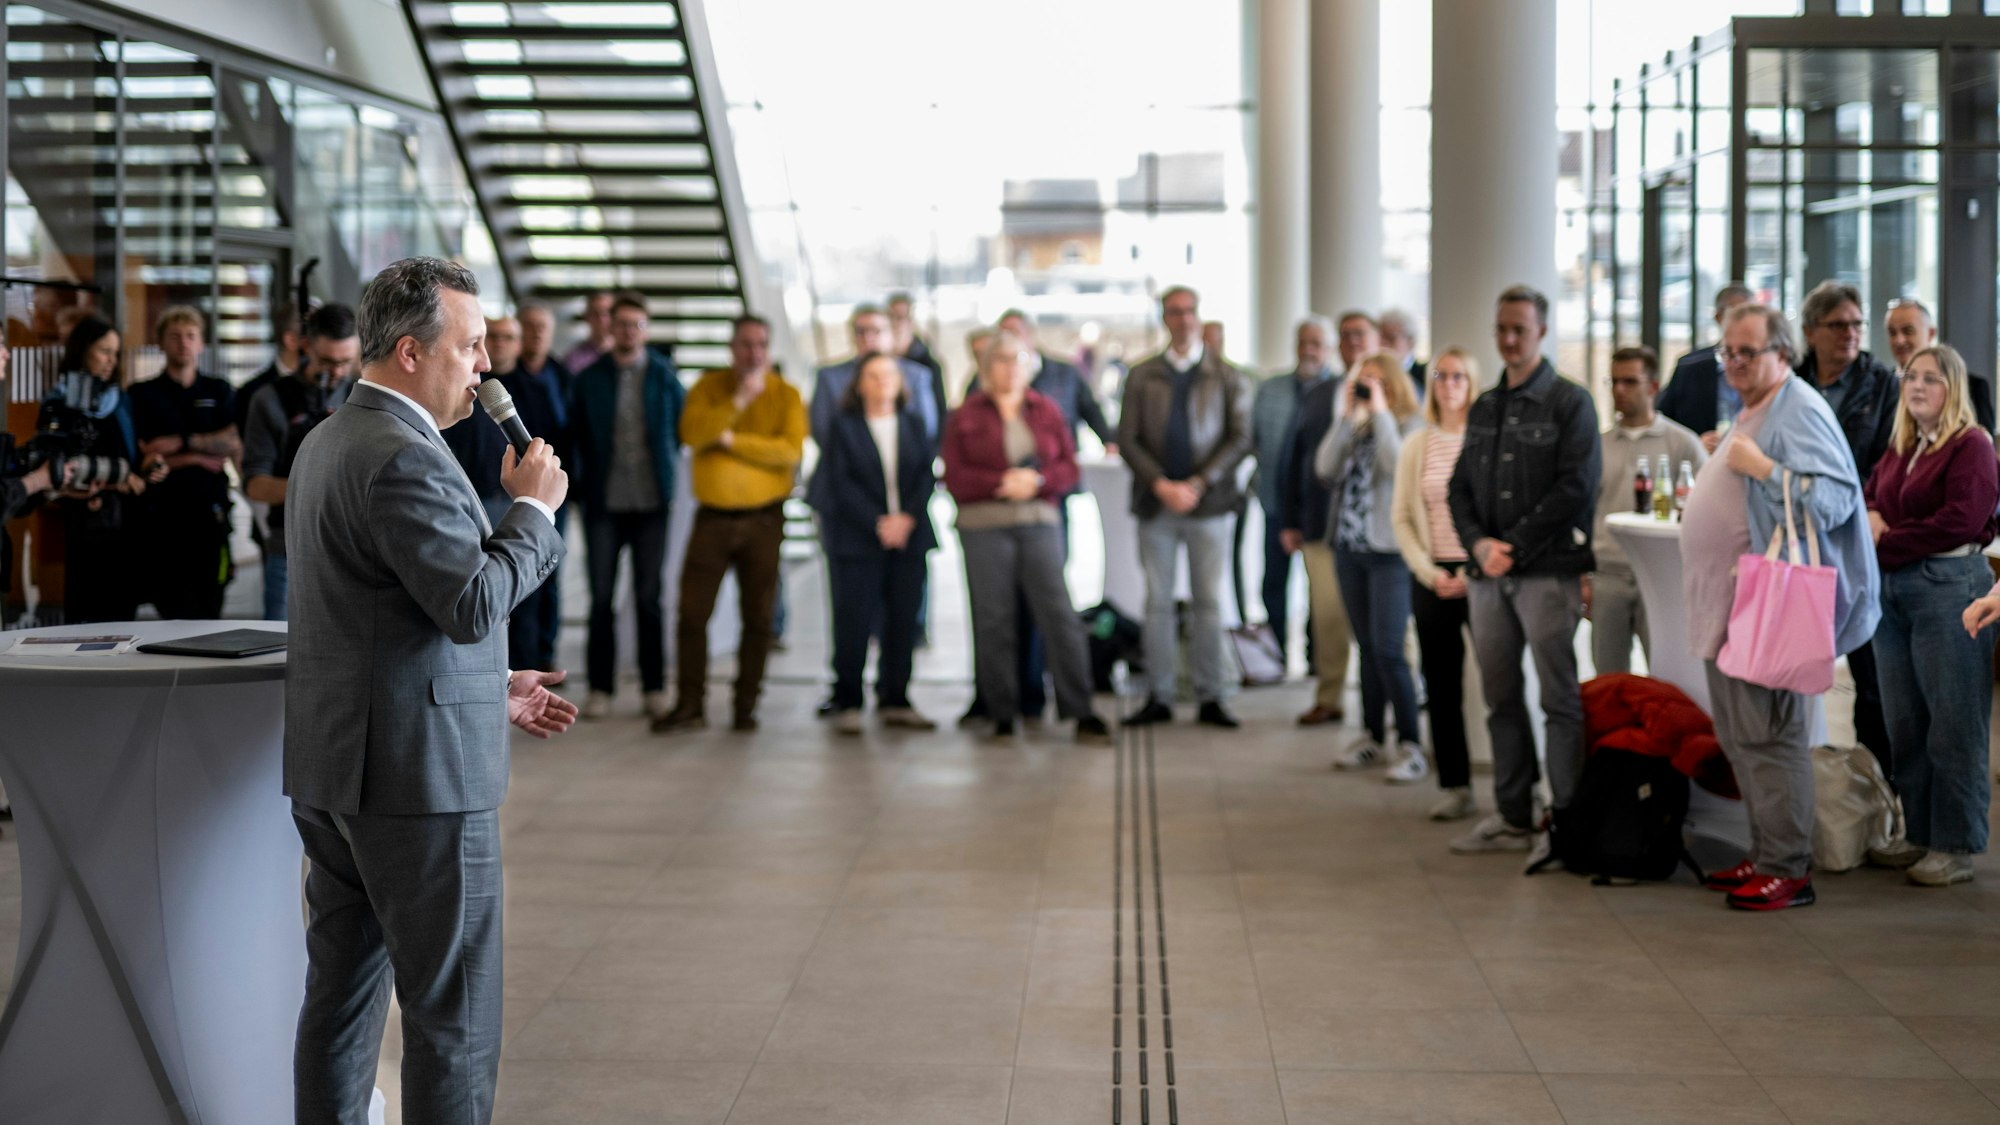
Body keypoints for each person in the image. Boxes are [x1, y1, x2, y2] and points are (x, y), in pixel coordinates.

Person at [283, 256, 573, 1121]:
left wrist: (493, 684)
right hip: (419, 782)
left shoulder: (331, 439)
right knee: (455, 1019)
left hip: (339, 767)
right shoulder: (403, 454)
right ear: (411, 352)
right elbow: (472, 602)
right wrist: (534, 511)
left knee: (341, 1001)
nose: (485, 365)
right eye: (471, 345)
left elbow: (378, 610)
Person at [1681, 303, 1877, 911]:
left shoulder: (1799, 408)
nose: (1735, 363)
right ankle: (1766, 850)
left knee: (1771, 739)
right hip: (1734, 608)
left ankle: (1787, 868)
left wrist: (1765, 469)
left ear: (1783, 354)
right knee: (1743, 738)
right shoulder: (1759, 406)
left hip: (1767, 607)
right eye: (1728, 352)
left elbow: (1837, 498)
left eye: (1748, 352)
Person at [1446, 285, 1601, 867]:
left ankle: (1565, 824)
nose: (1509, 339)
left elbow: (1576, 489)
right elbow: (1458, 488)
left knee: (1559, 699)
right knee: (1500, 697)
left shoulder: (1571, 403)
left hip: (1547, 574)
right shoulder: (1485, 406)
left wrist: (1512, 546)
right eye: (1502, 329)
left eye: (1520, 329)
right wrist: (1479, 545)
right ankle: (1514, 815)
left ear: (1542, 331)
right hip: (1488, 576)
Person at [1862, 344, 1997, 887]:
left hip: (1950, 587)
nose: (1917, 386)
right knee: (1905, 722)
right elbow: (1871, 493)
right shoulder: (1903, 445)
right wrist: (1874, 514)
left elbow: (1961, 520)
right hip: (1894, 590)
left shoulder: (1972, 445)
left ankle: (1955, 844)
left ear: (1954, 388)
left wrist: (1887, 542)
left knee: (1953, 722)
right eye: (1911, 376)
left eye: (1931, 378)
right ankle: (1918, 831)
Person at [943, 336, 1113, 743]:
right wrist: (1002, 483)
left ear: (1030, 366)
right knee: (993, 618)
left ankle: (1080, 708)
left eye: (1018, 359)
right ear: (986, 367)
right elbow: (954, 476)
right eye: (1001, 360)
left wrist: (1037, 481)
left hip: (1039, 520)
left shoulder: (1046, 410)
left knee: (1059, 614)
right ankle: (1002, 711)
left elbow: (1068, 467)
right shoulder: (965, 415)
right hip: (983, 525)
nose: (1010, 367)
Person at [655, 314, 805, 734]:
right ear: (732, 348)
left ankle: (746, 706)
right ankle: (690, 704)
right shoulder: (708, 388)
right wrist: (737, 401)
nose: (754, 353)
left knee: (758, 618)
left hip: (764, 520)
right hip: (713, 520)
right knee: (691, 613)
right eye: (746, 344)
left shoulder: (786, 394)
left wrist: (730, 440)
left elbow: (788, 452)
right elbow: (692, 433)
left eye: (761, 344)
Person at [1119, 287, 1252, 728]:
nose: (1183, 319)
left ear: (1198, 316)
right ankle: (1158, 695)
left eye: (1189, 311)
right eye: (1174, 312)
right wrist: (1160, 484)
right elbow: (1127, 438)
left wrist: (1198, 482)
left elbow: (1240, 438)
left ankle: (1211, 695)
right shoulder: (1142, 376)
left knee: (1208, 602)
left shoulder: (1226, 376)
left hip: (1208, 504)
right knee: (1157, 602)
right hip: (1155, 504)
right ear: (1165, 318)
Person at [1797, 279, 1899, 780]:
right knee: (1794, 665)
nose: (1851, 333)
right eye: (1838, 325)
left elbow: (1887, 460)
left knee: (1870, 676)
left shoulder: (1882, 385)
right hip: (1800, 541)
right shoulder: (1790, 381)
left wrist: (1857, 504)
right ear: (1810, 331)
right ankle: (1803, 779)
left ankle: (1875, 788)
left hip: (1857, 540)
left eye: (1857, 324)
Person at [572, 292, 685, 722]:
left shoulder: (664, 377)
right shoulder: (589, 378)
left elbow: (679, 430)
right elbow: (576, 435)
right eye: (621, 324)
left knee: (648, 597)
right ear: (610, 327)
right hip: (604, 503)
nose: (629, 332)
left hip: (652, 502)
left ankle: (654, 687)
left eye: (637, 325)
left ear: (646, 330)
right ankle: (600, 687)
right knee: (601, 597)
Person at [817, 352, 939, 735]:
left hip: (909, 537)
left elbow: (925, 476)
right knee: (853, 620)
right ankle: (848, 699)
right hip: (858, 538)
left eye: (889, 374)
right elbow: (839, 482)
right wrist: (878, 523)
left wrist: (907, 519)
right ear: (859, 384)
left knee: (903, 620)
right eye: (873, 375)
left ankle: (895, 698)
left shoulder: (914, 424)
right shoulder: (843, 426)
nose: (883, 381)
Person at [1317, 351, 1425, 779]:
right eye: (1363, 380)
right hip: (1350, 548)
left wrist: (1380, 413)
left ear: (1394, 383)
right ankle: (1373, 737)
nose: (1368, 387)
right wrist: (1346, 417)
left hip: (1390, 553)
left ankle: (1411, 744)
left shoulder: (1411, 425)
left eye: (1377, 380)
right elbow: (1324, 468)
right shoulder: (1357, 424)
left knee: (1389, 648)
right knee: (1365, 646)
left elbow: (1397, 468)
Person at [1392, 348, 1482, 820]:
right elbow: (1402, 518)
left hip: (1481, 575)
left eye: (1457, 376)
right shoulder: (1416, 445)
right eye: (1441, 376)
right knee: (1442, 688)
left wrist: (1473, 572)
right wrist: (1429, 573)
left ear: (1472, 383)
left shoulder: (1486, 441)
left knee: (1502, 686)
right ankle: (1456, 786)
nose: (1448, 384)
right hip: (1432, 576)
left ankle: (1523, 790)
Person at [1279, 310, 1376, 725]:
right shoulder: (1319, 394)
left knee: (1385, 627)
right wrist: (1290, 520)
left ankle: (1394, 704)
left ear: (1375, 341)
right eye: (1345, 335)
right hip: (1322, 525)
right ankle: (1330, 697)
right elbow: (1295, 458)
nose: (1353, 342)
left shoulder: (1395, 391)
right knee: (1327, 617)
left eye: (1360, 334)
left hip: (1377, 531)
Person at [1588, 346, 1706, 674]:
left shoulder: (1683, 443)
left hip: (1662, 576)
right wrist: (1585, 577)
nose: (1619, 390)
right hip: (1608, 576)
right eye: (1613, 381)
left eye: (1629, 381)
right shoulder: (1597, 446)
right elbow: (1583, 514)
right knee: (1608, 679)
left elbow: (1705, 511)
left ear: (1653, 386)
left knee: (1668, 676)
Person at [41, 317, 163, 623]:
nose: (111, 361)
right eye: (104, 351)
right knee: (86, 621)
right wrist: (118, 477)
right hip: (85, 524)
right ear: (82, 351)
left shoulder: (120, 400)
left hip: (126, 525)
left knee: (123, 618)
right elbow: (58, 466)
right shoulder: (61, 403)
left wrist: (150, 465)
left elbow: (135, 451)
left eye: (115, 353)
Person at [243, 304, 360, 621]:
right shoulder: (270, 400)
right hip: (289, 549)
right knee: (280, 642)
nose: (337, 372)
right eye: (327, 361)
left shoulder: (362, 395)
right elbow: (255, 485)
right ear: (306, 346)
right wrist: (320, 487)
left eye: (345, 362)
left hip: (353, 551)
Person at [130, 306, 240, 619]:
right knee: (170, 608)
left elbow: (232, 441)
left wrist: (181, 442)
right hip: (162, 518)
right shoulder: (142, 394)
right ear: (160, 342)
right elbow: (145, 456)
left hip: (210, 516)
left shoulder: (218, 390)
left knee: (210, 606)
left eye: (191, 336)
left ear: (201, 343)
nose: (183, 343)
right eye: (175, 336)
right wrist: (197, 456)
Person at [1251, 316, 1332, 667]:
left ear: (1328, 349)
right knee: (1273, 582)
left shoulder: (1339, 391)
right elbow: (1253, 440)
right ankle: (1275, 656)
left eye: (1317, 343)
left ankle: (1318, 656)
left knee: (1321, 588)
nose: (1309, 350)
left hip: (1320, 509)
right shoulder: (1271, 389)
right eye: (1303, 342)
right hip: (1275, 502)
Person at [498, 302, 573, 671]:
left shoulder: (562, 376)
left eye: (543, 326)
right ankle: (520, 658)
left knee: (549, 573)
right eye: (529, 326)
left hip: (555, 487)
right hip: (513, 486)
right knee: (518, 572)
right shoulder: (502, 382)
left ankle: (545, 655)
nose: (537, 333)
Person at [440, 316, 519, 530]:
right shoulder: (466, 386)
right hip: (473, 493)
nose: (499, 343)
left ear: (519, 344)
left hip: (519, 494)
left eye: (508, 337)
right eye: (493, 337)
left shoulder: (534, 387)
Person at [1657, 283, 1754, 450]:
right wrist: (1694, 445)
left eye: (1751, 316)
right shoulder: (1690, 368)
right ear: (1718, 318)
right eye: (1737, 315)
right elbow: (1664, 423)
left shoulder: (1768, 367)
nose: (1745, 324)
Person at [1885, 298, 1995, 432]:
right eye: (1892, 332)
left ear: (1931, 333)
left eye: (1908, 331)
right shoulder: (1883, 386)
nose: (1899, 340)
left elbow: (1983, 442)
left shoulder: (1972, 387)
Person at [887, 290, 949, 427]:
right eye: (890, 317)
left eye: (899, 317)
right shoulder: (878, 362)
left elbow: (939, 414)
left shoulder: (929, 365)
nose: (894, 323)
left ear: (911, 321)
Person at [1377, 307, 1429, 400]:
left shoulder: (1425, 374)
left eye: (1391, 338)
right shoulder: (1372, 373)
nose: (1383, 343)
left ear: (1410, 341)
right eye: (1381, 338)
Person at [563, 290, 614, 375]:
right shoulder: (574, 359)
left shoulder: (625, 354)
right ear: (587, 317)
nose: (601, 319)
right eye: (595, 314)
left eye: (606, 313)